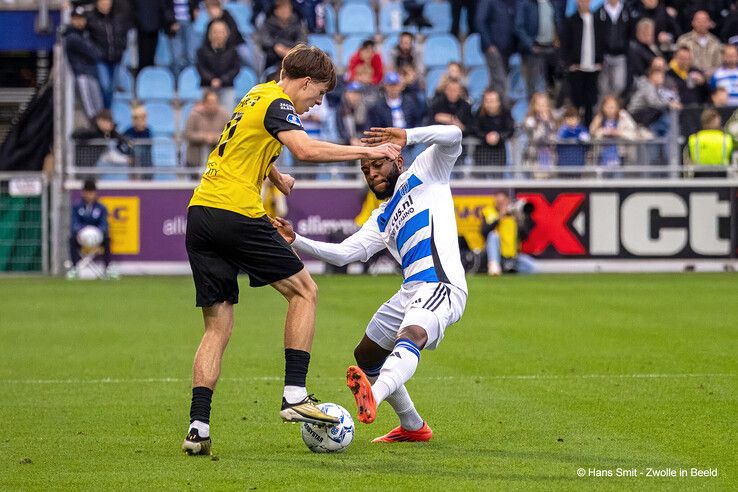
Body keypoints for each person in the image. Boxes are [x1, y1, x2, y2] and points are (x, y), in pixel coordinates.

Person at [181, 44, 401, 455]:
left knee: (217, 327)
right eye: (317, 95)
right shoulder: (280, 103)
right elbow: (306, 148)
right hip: (236, 212)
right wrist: (369, 150)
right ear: (304, 82)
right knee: (305, 291)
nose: (316, 104)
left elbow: (236, 145)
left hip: (201, 214)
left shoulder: (255, 94)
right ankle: (295, 395)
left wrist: (274, 173)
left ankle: (198, 428)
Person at [272, 124, 468, 442]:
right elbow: (341, 254)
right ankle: (413, 426)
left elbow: (454, 135)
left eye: (377, 164)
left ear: (398, 161)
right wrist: (296, 239)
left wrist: (409, 135)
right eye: (366, 169)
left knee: (412, 334)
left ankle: (373, 397)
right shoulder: (381, 217)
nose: (371, 173)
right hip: (411, 291)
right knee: (367, 355)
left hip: (440, 285)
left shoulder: (426, 170)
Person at [560, 0, 605, 126]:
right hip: (577, 67)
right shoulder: (571, 20)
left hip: (593, 67)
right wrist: (569, 63)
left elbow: (601, 41)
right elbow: (565, 43)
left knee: (590, 101)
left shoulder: (597, 20)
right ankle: (576, 127)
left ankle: (588, 129)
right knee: (576, 100)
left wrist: (600, 60)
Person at [514, 0, 564, 98]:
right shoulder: (525, 3)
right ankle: (534, 109)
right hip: (534, 50)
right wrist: (530, 45)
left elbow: (558, 21)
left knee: (556, 82)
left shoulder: (553, 3)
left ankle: (551, 108)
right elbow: (518, 26)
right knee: (534, 84)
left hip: (552, 48)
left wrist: (558, 37)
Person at [86, 0, 130, 109]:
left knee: (113, 87)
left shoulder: (118, 16)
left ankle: (108, 113)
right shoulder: (91, 18)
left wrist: (122, 47)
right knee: (105, 86)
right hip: (101, 59)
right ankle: (106, 111)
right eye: (103, 3)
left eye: (107, 3)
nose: (106, 6)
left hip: (117, 58)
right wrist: (95, 52)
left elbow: (123, 34)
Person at [481, 191, 536, 276]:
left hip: (512, 256)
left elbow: (525, 237)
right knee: (493, 235)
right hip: (496, 254)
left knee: (532, 267)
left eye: (503, 202)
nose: (501, 205)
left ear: (508, 201)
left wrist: (519, 220)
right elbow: (484, 232)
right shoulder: (489, 212)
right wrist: (499, 218)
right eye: (499, 202)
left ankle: (507, 268)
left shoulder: (514, 216)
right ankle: (494, 266)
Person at [64, 6, 104, 121]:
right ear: (72, 19)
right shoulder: (72, 36)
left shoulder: (85, 34)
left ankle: (99, 132)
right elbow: (95, 54)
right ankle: (95, 133)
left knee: (98, 108)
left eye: (81, 18)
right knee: (90, 111)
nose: (80, 21)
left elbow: (97, 53)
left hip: (91, 74)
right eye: (76, 18)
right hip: (82, 75)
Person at [68, 179, 112, 279]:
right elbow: (74, 223)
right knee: (71, 239)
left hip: (97, 236)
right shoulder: (77, 206)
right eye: (87, 192)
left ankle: (107, 268)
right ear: (83, 193)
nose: (89, 195)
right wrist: (83, 230)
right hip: (81, 236)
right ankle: (74, 268)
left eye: (91, 192)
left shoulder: (101, 208)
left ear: (95, 193)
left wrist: (97, 231)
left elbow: (104, 224)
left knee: (107, 238)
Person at [475, 0, 517, 101]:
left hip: (507, 49)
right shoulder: (487, 1)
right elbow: (480, 21)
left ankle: (492, 108)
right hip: (493, 49)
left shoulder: (511, 3)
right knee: (500, 81)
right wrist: (489, 44)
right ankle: (502, 109)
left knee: (498, 81)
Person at [196, 20, 240, 112]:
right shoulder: (202, 50)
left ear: (226, 34)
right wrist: (211, 79)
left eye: (221, 32)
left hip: (227, 86)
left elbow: (235, 69)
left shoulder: (233, 51)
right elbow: (200, 68)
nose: (218, 35)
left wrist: (222, 80)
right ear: (210, 34)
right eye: (215, 32)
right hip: (207, 86)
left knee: (227, 115)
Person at [589, 95, 640, 169]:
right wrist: (602, 132)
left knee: (618, 177)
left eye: (612, 107)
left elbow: (634, 133)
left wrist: (619, 133)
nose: (609, 110)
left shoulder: (623, 116)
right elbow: (592, 133)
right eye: (607, 107)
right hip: (602, 155)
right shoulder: (599, 118)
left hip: (621, 154)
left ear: (617, 107)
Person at [185, 90, 230, 172]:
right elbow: (188, 134)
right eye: (210, 102)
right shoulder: (194, 115)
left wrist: (215, 138)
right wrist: (204, 137)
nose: (212, 105)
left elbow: (229, 134)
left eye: (215, 102)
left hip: (218, 156)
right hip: (197, 153)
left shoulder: (224, 115)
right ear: (204, 103)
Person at [596, 0, 633, 98]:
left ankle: (613, 107)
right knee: (603, 87)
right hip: (604, 55)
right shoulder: (600, 11)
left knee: (619, 85)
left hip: (621, 55)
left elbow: (631, 32)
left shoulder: (626, 10)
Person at [258, 0, 307, 72]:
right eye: (282, 9)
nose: (285, 12)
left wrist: (291, 50)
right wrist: (276, 46)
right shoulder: (268, 22)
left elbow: (303, 39)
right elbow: (265, 40)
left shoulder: (297, 22)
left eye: (287, 8)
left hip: (294, 56)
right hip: (273, 58)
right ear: (275, 10)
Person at [473, 89, 514, 168]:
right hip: (482, 151)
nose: (489, 104)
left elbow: (510, 130)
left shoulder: (505, 113)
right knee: (480, 177)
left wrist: (498, 136)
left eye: (492, 101)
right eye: (487, 101)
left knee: (498, 177)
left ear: (498, 102)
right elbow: (474, 129)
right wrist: (486, 136)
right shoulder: (479, 113)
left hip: (499, 151)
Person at [130, 0, 176, 70]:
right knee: (144, 58)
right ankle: (144, 76)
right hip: (144, 26)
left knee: (151, 57)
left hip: (154, 25)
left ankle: (148, 75)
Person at [685, 108, 733, 175]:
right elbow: (731, 159)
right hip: (721, 175)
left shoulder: (694, 139)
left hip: (700, 175)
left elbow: (689, 160)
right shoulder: (726, 138)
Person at [676, 11, 723, 78]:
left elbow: (719, 64)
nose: (701, 24)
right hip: (687, 77)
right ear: (692, 23)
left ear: (709, 23)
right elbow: (677, 62)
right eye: (698, 21)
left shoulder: (715, 42)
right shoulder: (683, 40)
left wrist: (712, 72)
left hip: (710, 79)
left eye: (704, 21)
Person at [556, 106, 591, 174]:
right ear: (564, 119)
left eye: (573, 118)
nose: (571, 120)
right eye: (568, 118)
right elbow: (560, 138)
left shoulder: (582, 130)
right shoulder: (562, 130)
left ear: (578, 119)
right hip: (564, 164)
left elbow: (587, 141)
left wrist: (582, 137)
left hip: (578, 163)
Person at [169, 0, 200, 76]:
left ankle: (191, 80)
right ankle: (177, 83)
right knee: (177, 57)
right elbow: (165, 5)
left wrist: (196, 8)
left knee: (191, 56)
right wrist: (171, 21)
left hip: (189, 22)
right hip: (174, 23)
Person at [122, 104, 153, 177]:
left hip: (146, 165)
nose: (140, 121)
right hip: (132, 166)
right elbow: (119, 145)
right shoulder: (128, 131)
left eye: (142, 118)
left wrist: (132, 145)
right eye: (137, 118)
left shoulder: (148, 132)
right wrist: (126, 155)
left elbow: (147, 147)